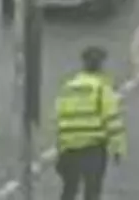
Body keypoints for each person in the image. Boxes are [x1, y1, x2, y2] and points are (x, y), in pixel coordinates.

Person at [53, 46, 127, 200]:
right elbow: (112, 121)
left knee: (69, 190)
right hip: (92, 149)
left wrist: (60, 147)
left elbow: (58, 118)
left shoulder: (68, 88)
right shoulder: (101, 88)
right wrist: (118, 148)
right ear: (100, 65)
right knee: (92, 191)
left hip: (69, 148)